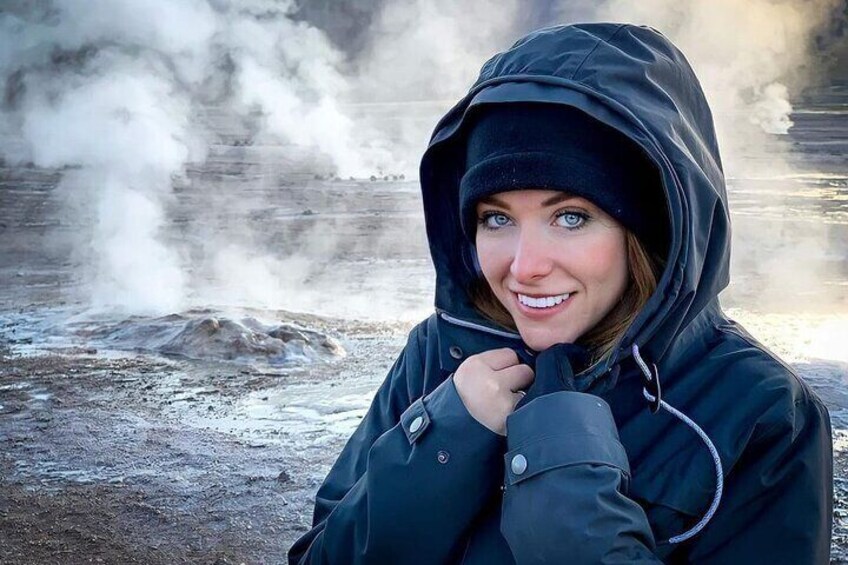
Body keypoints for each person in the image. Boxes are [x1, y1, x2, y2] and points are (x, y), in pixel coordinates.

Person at [288, 22, 833, 564]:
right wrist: (445, 437)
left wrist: (564, 487)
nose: (524, 268)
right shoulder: (441, 352)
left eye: (570, 217)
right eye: (496, 218)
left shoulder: (761, 413)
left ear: (651, 228)